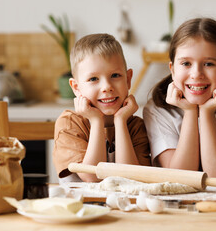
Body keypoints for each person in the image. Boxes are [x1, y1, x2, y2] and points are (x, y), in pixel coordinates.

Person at [143, 18, 216, 180]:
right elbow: (180, 178)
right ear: (172, 69)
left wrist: (206, 112)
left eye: (209, 64)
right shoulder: (157, 109)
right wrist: (190, 111)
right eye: (186, 63)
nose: (196, 74)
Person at [53, 33, 151, 183]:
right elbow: (92, 177)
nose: (106, 87)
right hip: (82, 205)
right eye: (93, 79)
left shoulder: (135, 126)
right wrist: (96, 121)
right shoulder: (69, 124)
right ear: (76, 87)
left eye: (115, 75)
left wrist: (120, 121)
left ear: (128, 79)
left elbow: (131, 181)